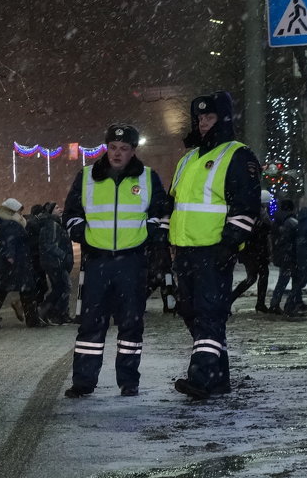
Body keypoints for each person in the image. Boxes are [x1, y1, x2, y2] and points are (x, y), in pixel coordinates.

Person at [167, 91, 262, 400]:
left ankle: (202, 377)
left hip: (213, 251)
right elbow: (175, 205)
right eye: (200, 118)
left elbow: (246, 206)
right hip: (185, 251)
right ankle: (218, 378)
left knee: (209, 314)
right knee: (191, 312)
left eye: (209, 117)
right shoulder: (188, 160)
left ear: (223, 118)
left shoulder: (237, 154)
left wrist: (230, 245)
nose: (204, 123)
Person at [62, 124, 169, 397]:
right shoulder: (86, 177)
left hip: (132, 261)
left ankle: (128, 381)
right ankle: (84, 382)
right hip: (97, 260)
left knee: (131, 324)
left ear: (133, 151)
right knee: (90, 325)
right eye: (112, 148)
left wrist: (152, 233)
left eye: (123, 149)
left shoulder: (147, 178)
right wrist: (79, 231)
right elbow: (72, 213)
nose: (117, 153)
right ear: (106, 148)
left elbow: (162, 212)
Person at [0, 198, 44, 328]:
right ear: (11, 211)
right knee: (27, 291)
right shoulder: (11, 224)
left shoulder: (3, 223)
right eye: (19, 211)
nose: (21, 214)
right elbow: (10, 242)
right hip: (16, 263)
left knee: (1, 292)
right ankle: (32, 320)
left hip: (8, 264)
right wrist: (10, 256)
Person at [231, 192, 273, 313]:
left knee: (253, 277)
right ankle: (259, 303)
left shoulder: (249, 211)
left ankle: (231, 299)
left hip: (250, 251)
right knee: (258, 276)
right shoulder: (259, 214)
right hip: (256, 251)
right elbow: (264, 230)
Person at [38, 201, 74, 325]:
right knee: (62, 288)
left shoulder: (56, 223)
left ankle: (57, 313)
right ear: (51, 211)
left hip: (56, 262)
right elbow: (50, 245)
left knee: (62, 287)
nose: (60, 209)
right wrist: (63, 256)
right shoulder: (52, 224)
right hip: (55, 262)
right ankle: (48, 311)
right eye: (57, 208)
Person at [267, 199, 298, 315]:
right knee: (289, 280)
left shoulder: (277, 221)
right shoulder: (291, 221)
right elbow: (293, 238)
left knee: (283, 279)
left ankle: (276, 304)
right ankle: (287, 305)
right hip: (289, 255)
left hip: (281, 255)